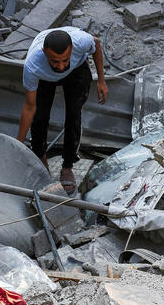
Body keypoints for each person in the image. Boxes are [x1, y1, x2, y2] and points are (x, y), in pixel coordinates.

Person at [17, 27, 108, 193]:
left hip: (77, 70)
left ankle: (67, 165)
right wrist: (17, 145)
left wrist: (101, 80)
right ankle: (40, 156)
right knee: (39, 117)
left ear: (72, 49)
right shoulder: (33, 65)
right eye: (55, 61)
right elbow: (30, 107)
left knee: (73, 115)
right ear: (45, 53)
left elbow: (96, 44)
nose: (60, 66)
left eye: (65, 60)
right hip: (46, 79)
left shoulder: (81, 41)